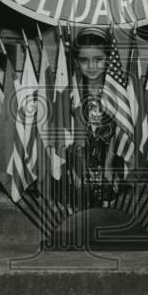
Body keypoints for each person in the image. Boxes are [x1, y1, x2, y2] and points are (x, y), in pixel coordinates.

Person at [53, 27, 125, 209]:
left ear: (108, 59)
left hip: (108, 158)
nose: (91, 66)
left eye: (98, 59)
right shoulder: (72, 92)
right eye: (84, 60)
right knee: (79, 206)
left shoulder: (116, 92)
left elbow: (119, 131)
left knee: (105, 208)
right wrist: (77, 167)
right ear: (76, 62)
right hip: (78, 159)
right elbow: (65, 130)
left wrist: (108, 165)